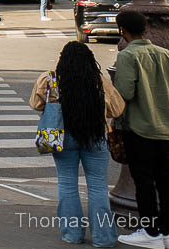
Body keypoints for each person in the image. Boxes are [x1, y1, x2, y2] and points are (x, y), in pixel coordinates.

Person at [31, 40, 122, 247]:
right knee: (98, 186)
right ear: (90, 61)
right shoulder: (100, 83)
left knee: (67, 184)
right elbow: (117, 109)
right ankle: (103, 237)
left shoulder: (49, 80)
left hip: (62, 137)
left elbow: (35, 104)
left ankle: (72, 234)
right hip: (94, 136)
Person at [113, 8, 169, 248]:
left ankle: (150, 231)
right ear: (145, 28)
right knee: (165, 180)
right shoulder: (166, 54)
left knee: (144, 182)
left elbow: (125, 93)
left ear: (123, 31)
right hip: (166, 126)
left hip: (139, 128)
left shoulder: (128, 56)